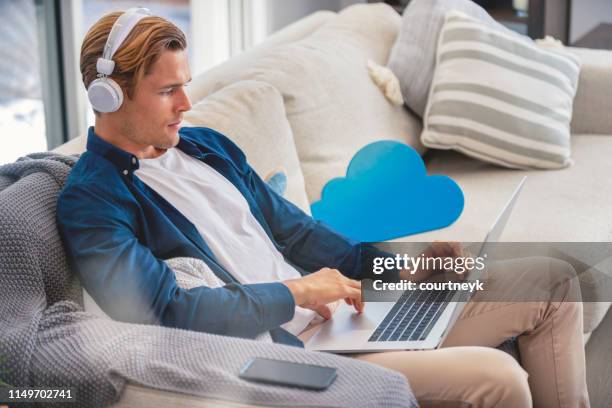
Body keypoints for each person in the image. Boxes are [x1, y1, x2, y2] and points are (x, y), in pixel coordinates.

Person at [57, 10, 589, 408]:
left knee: (553, 280)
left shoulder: (206, 147)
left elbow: (301, 236)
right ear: (110, 95)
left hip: (349, 317)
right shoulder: (94, 200)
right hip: (300, 354)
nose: (187, 105)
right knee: (498, 379)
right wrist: (297, 293)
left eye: (186, 86)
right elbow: (164, 313)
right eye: (168, 91)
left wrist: (400, 269)